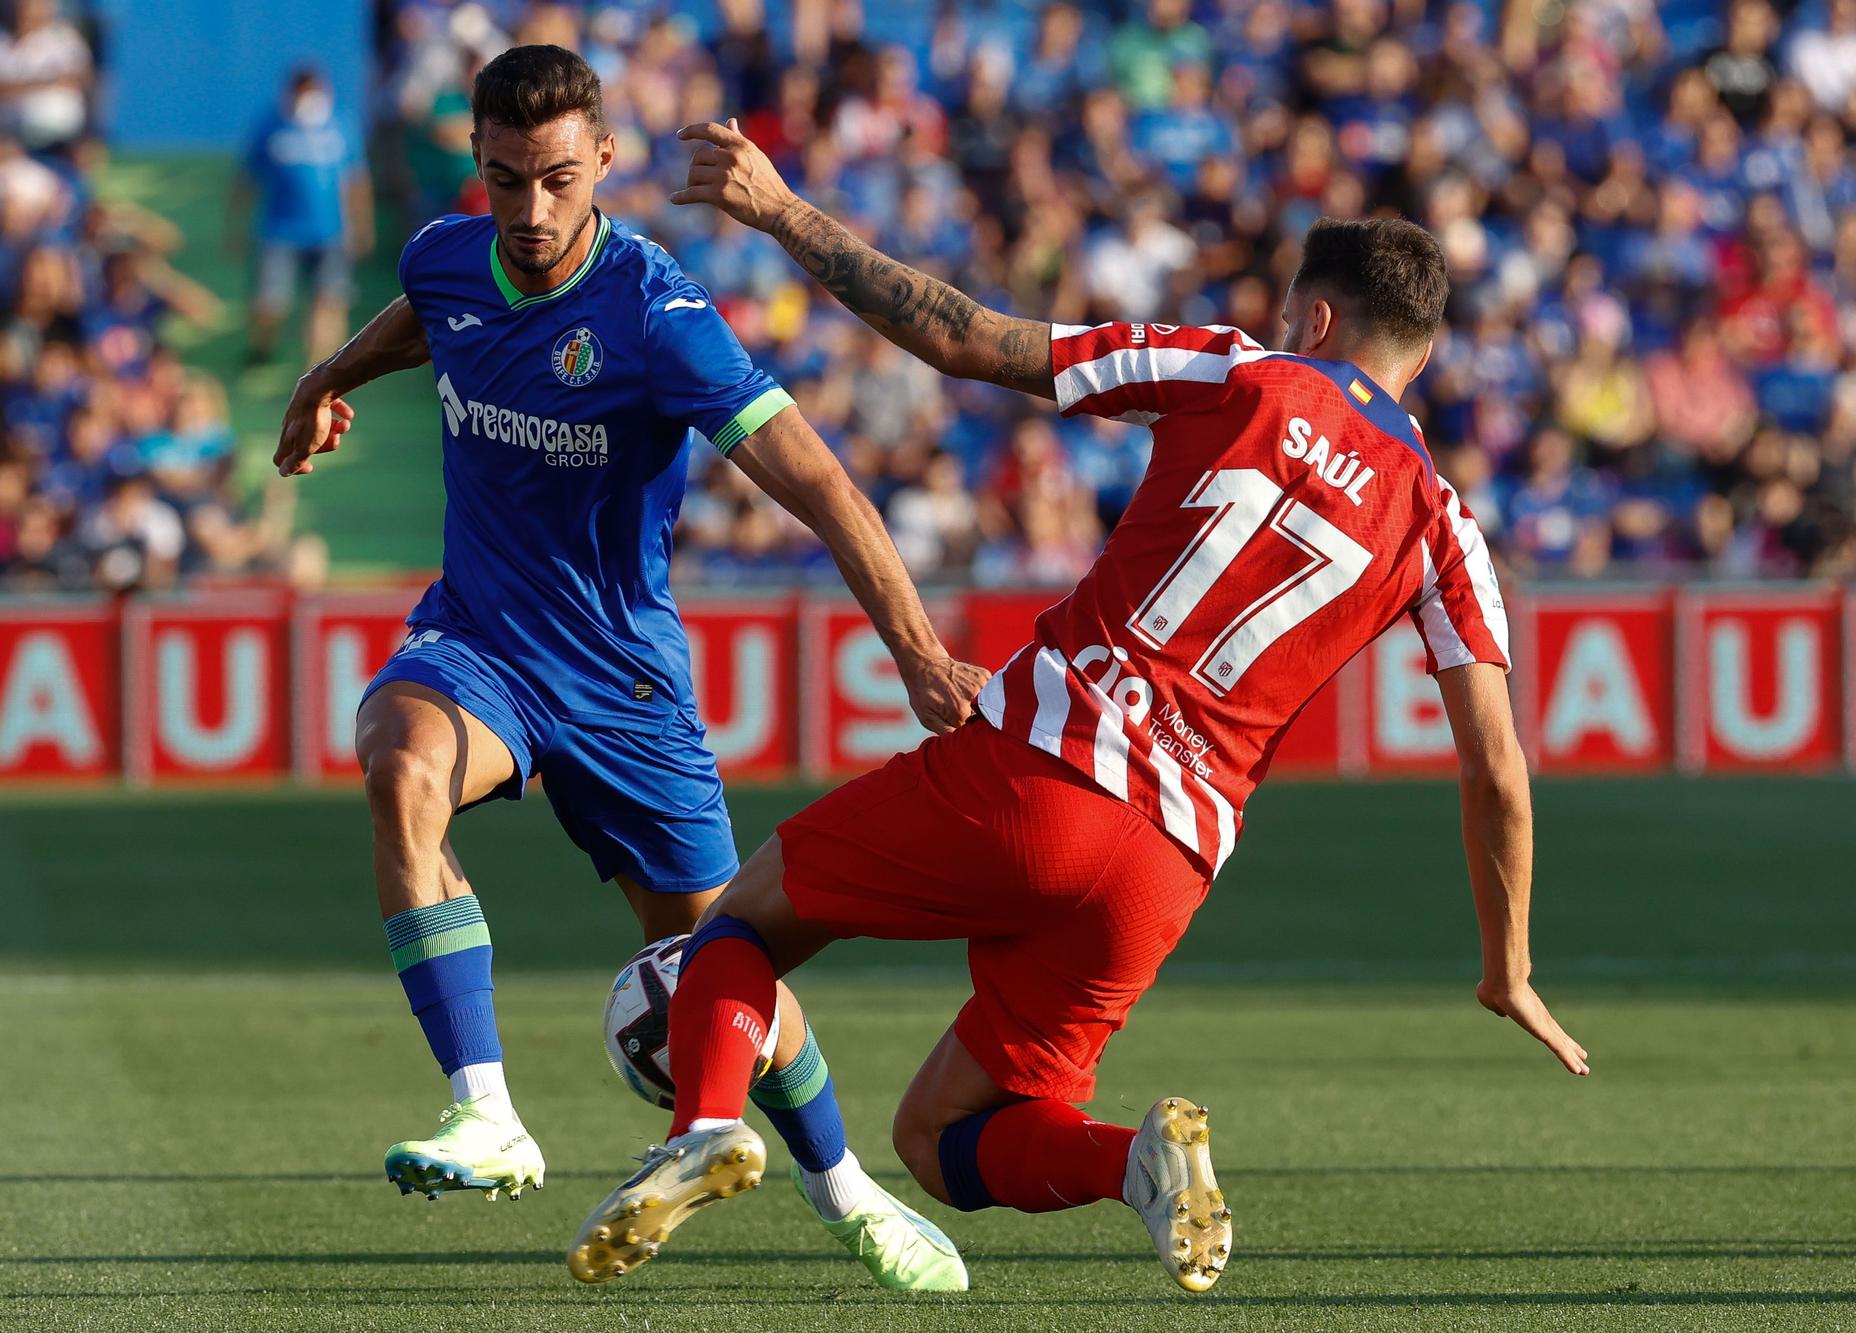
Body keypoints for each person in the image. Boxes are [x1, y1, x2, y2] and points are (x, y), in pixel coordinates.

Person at [567, 122, 1591, 1294]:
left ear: (1313, 321)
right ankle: (1134, 1167)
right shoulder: (1440, 524)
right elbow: (1497, 769)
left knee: (739, 926)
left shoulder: (1238, 370)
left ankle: (702, 1128)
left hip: (1043, 766)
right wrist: (1504, 965)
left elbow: (963, 339)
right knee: (946, 1138)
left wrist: (784, 210)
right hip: (1168, 863)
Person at [270, 48, 980, 1293]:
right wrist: (328, 375)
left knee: (716, 964)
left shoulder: (657, 316)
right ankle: (486, 1109)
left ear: (602, 159)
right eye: (503, 181)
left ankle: (842, 1185)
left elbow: (818, 482)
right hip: (480, 642)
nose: (530, 212)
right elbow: (432, 316)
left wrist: (918, 653)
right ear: (478, 169)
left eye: (554, 179)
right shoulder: (446, 253)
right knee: (396, 759)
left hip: (621, 681)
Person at [236, 68, 373, 370]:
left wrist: (362, 225)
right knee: (270, 303)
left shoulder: (341, 123)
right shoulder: (270, 124)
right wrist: (236, 226)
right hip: (280, 231)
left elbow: (355, 177)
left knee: (329, 300)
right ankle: (262, 347)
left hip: (331, 232)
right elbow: (247, 178)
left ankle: (320, 370)